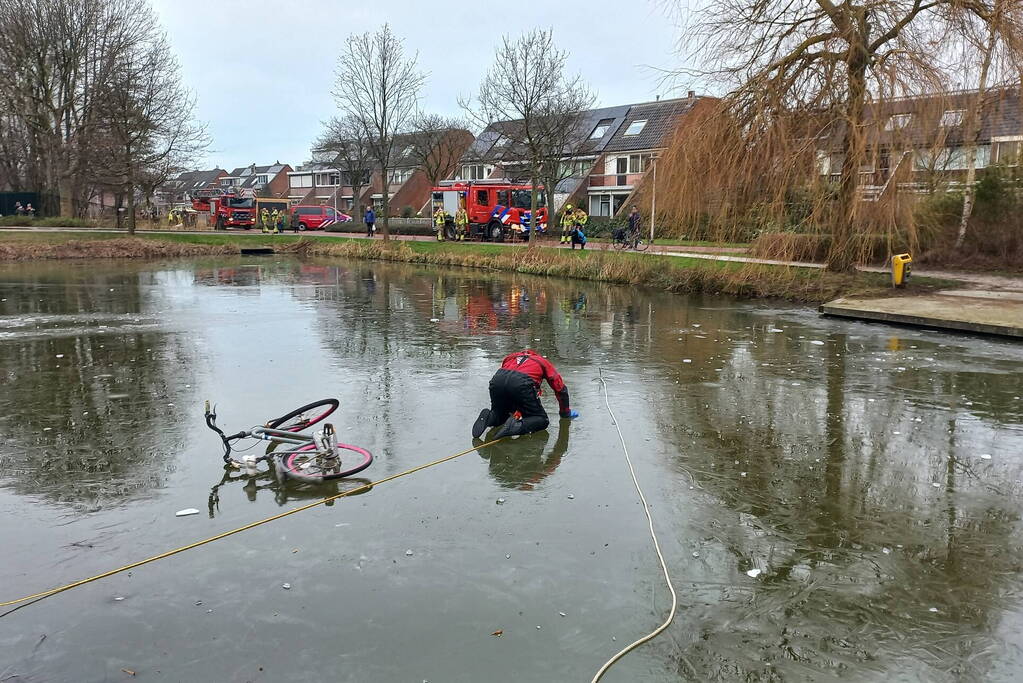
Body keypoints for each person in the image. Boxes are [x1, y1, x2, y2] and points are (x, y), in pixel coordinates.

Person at [472, 349, 579, 440]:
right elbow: (561, 389)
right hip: (521, 382)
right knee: (541, 420)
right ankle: (516, 426)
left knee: (500, 415)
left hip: (498, 379)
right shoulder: (542, 362)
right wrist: (565, 413)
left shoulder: (511, 357)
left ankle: (489, 417)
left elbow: (508, 384)